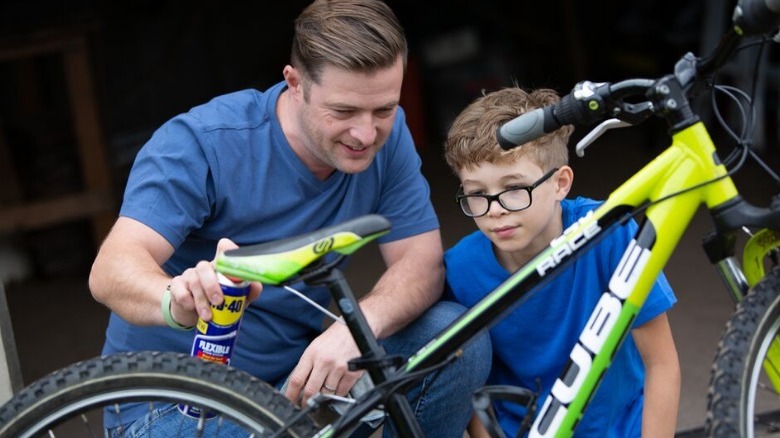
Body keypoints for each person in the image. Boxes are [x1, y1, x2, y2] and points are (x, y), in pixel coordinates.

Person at [88, 0, 490, 436]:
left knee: (455, 339)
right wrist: (176, 299)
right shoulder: (203, 143)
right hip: (173, 405)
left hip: (291, 387)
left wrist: (361, 329)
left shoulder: (384, 140)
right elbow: (110, 271)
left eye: (383, 110)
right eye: (343, 112)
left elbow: (421, 260)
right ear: (294, 84)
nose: (365, 133)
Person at [442, 86, 681, 437]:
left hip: (620, 428)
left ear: (560, 183)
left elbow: (661, 363)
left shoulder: (609, 233)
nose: (494, 210)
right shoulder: (460, 269)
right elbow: (471, 388)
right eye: (477, 194)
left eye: (513, 188)